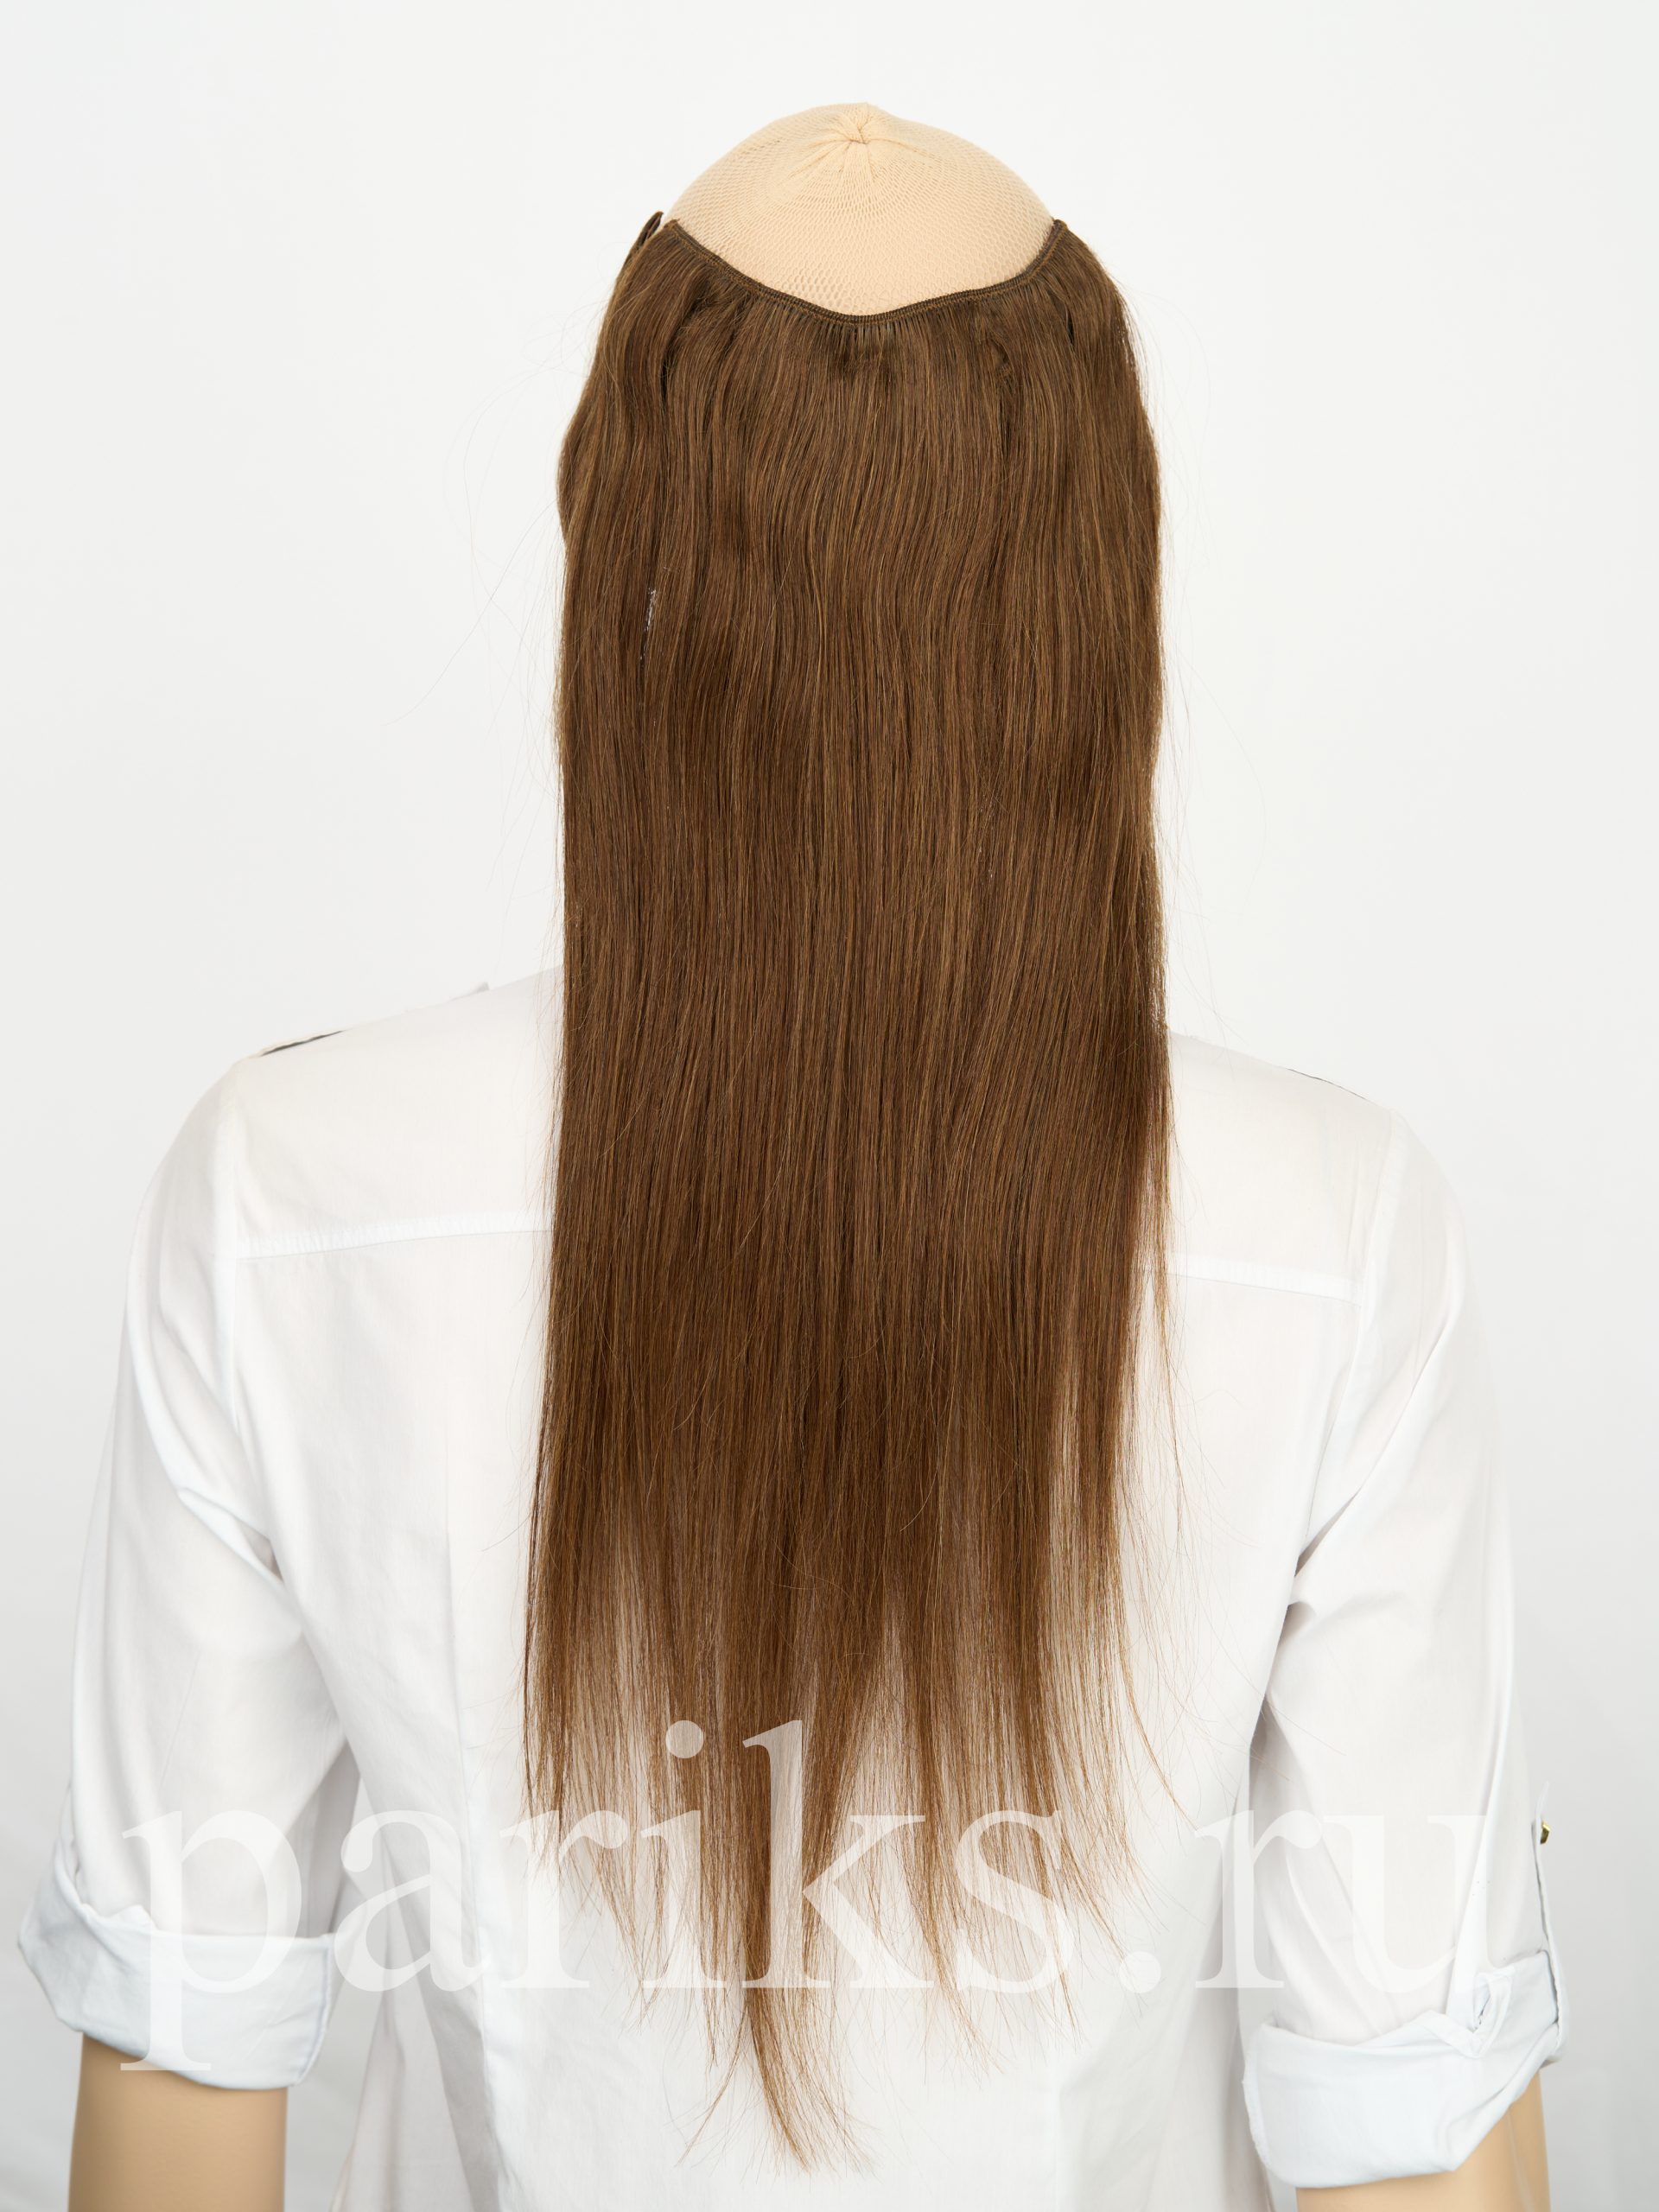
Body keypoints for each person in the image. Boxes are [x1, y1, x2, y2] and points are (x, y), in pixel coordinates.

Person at [20, 104, 1563, 2210]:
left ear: (629, 548)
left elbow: (179, 2081)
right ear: (1089, 590)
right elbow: (1413, 2125)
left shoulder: (286, 1198)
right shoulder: (1334, 1235)